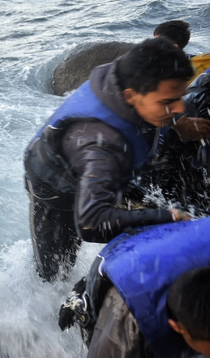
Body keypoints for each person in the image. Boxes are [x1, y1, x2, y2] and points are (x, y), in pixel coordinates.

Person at [23, 38, 208, 282]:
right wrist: (168, 217)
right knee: (53, 273)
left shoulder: (128, 74)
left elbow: (156, 59)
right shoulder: (102, 143)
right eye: (167, 104)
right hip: (56, 185)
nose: (178, 107)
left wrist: (179, 123)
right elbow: (91, 223)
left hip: (103, 166)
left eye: (179, 97)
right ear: (132, 96)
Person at [58, 219, 210, 358]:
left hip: (165, 248)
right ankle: (82, 295)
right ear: (178, 327)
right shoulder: (130, 327)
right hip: (124, 271)